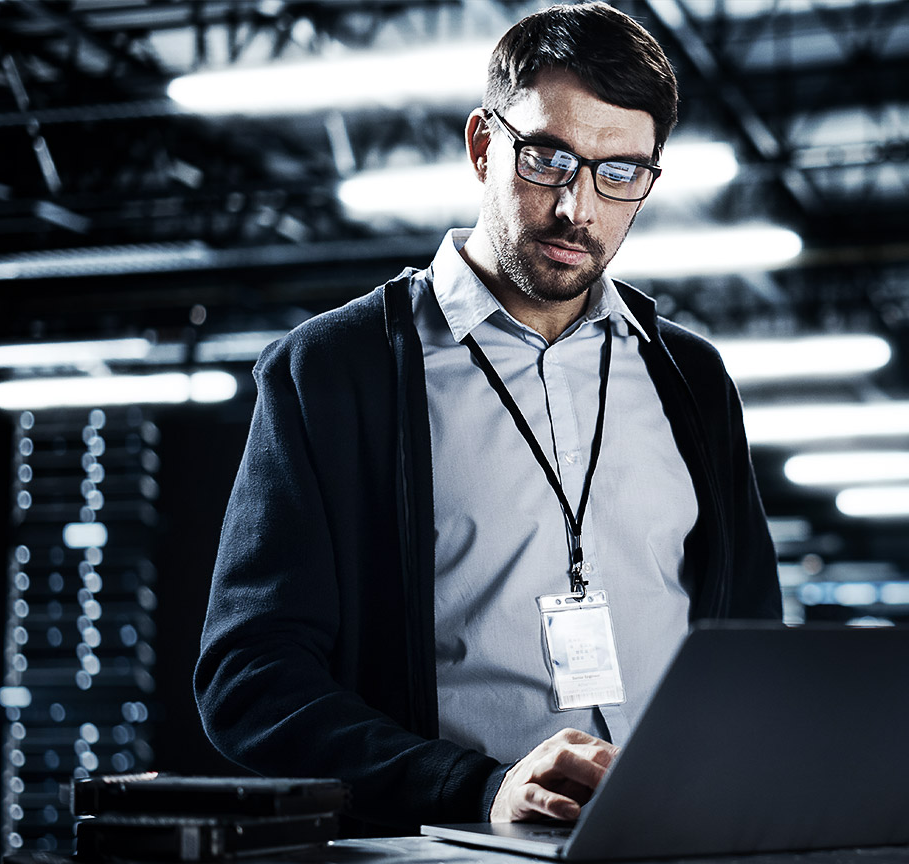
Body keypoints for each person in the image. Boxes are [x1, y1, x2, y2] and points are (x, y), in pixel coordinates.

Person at [194, 1, 781, 836]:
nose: (579, 207)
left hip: (680, 837)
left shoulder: (689, 375)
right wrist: (472, 787)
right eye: (548, 159)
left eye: (620, 174)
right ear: (481, 144)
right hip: (456, 846)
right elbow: (248, 678)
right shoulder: (335, 372)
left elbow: (751, 635)